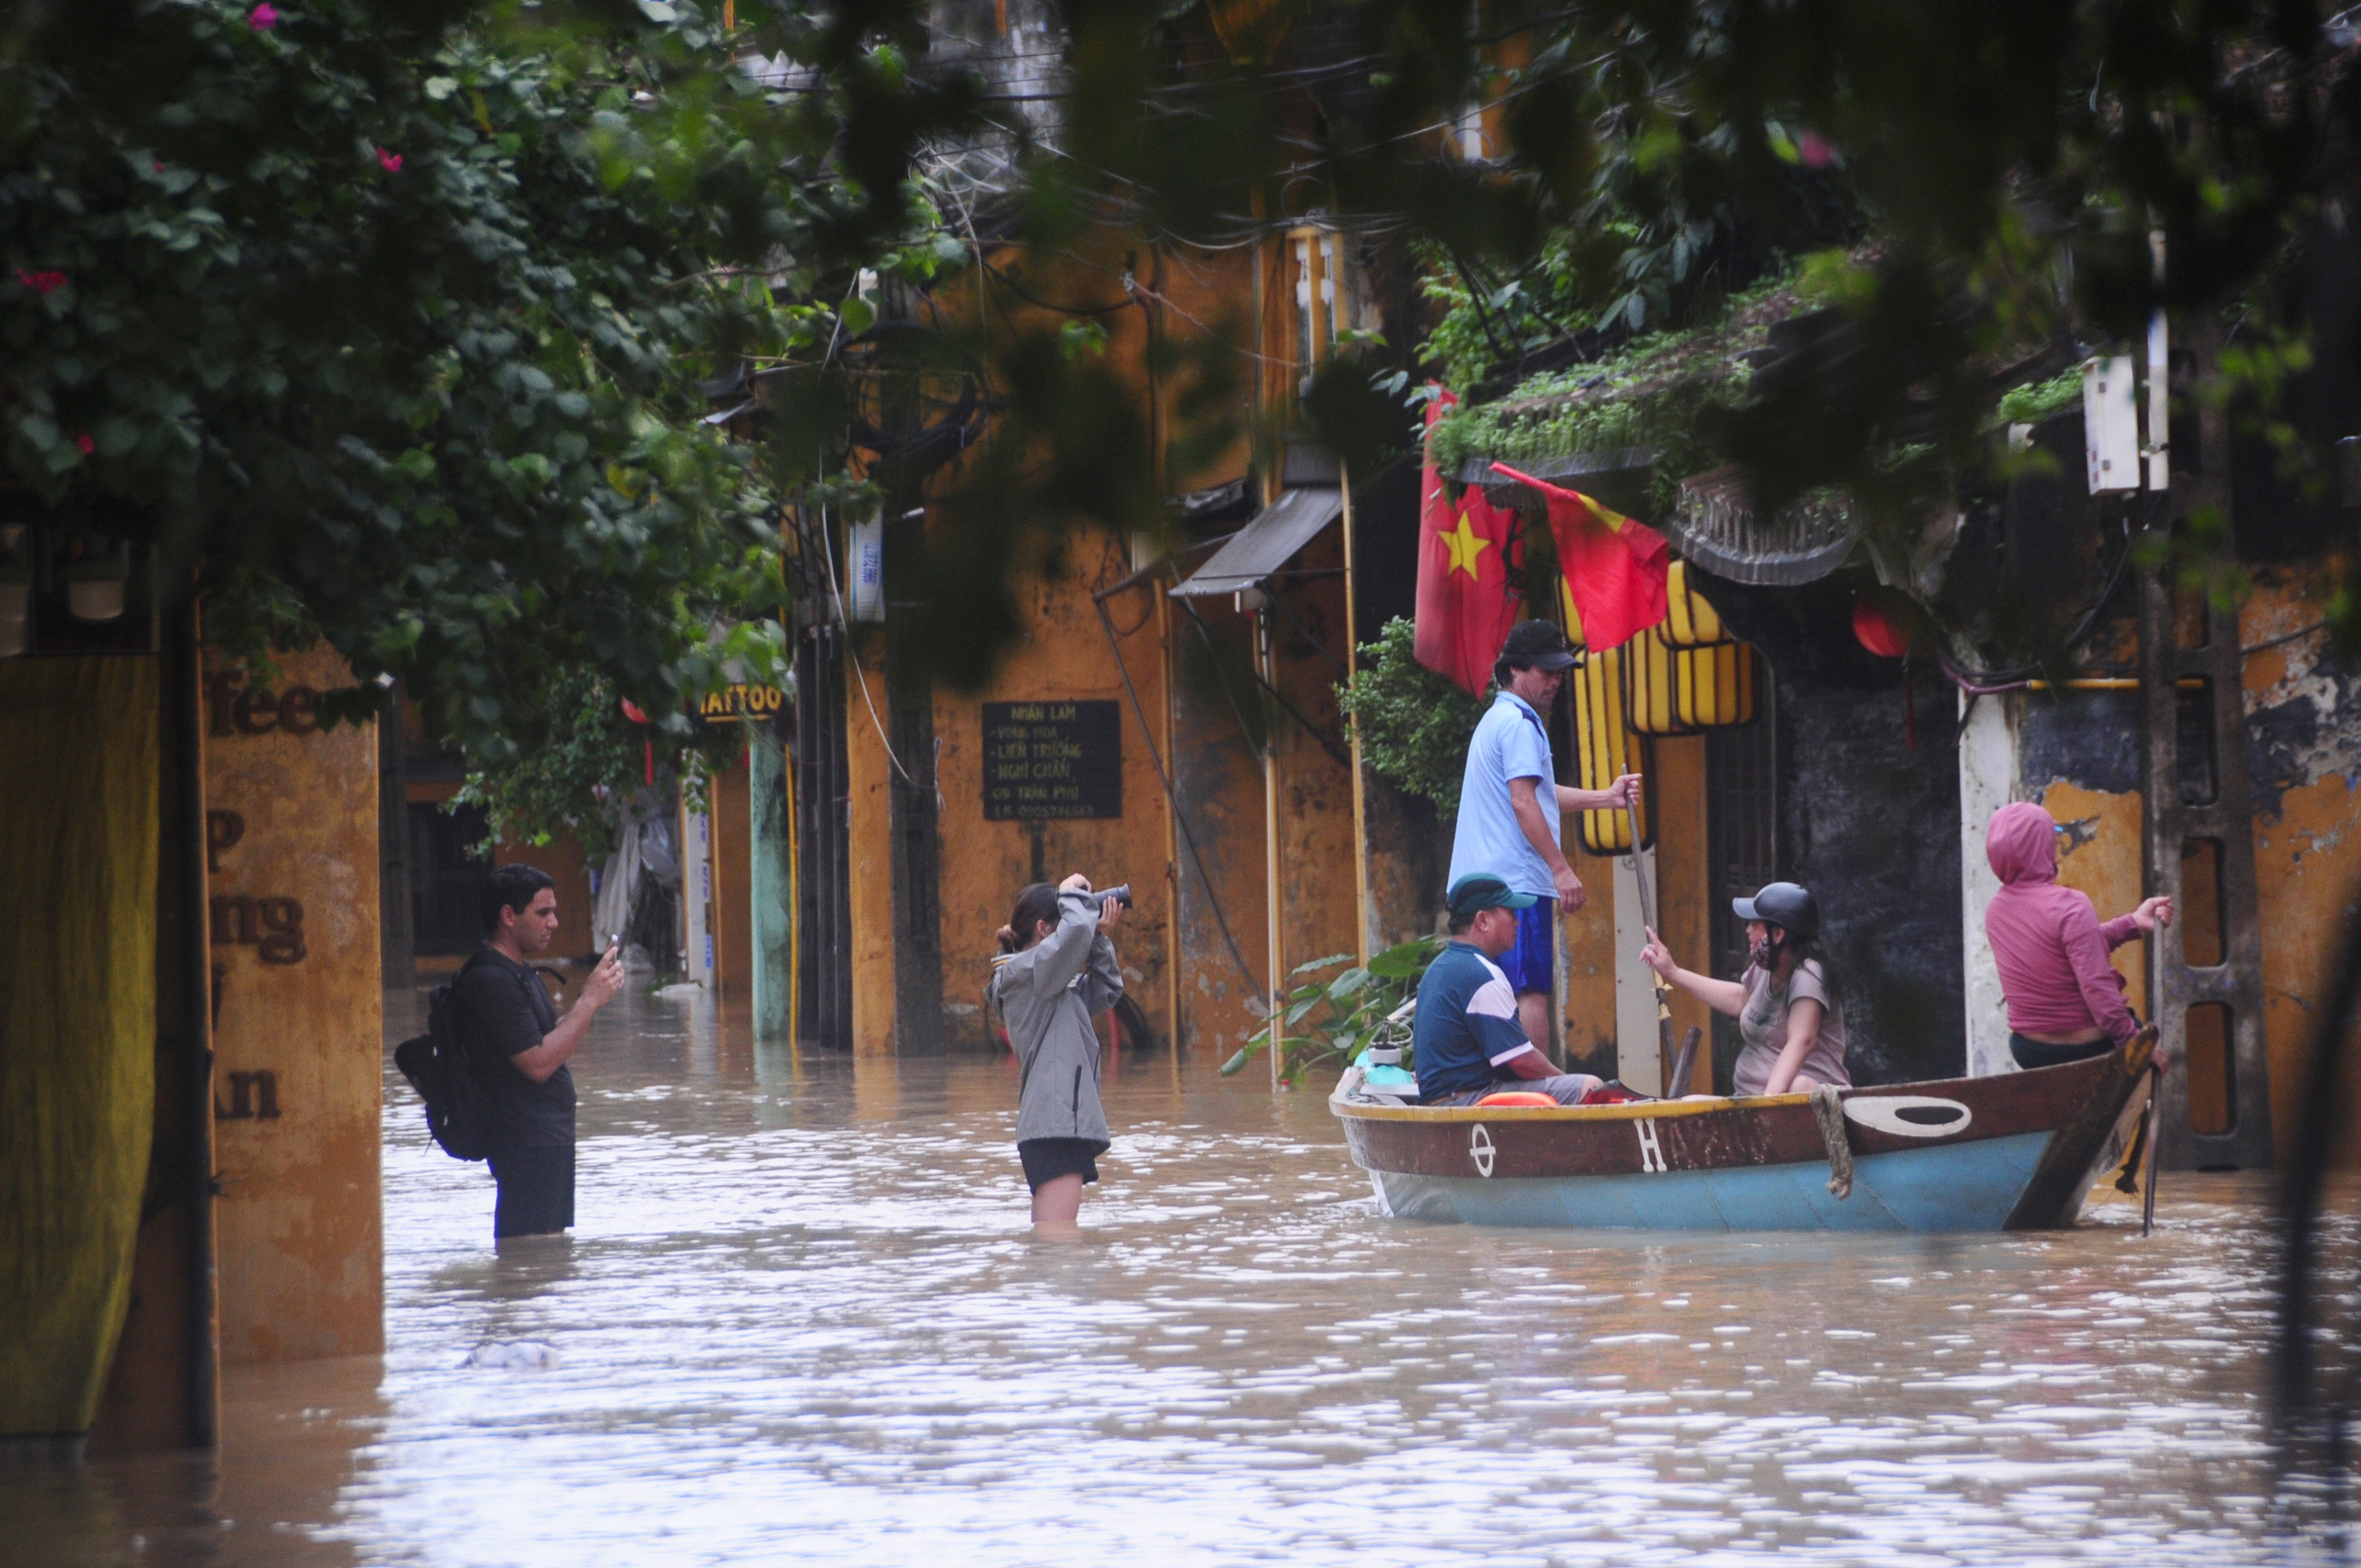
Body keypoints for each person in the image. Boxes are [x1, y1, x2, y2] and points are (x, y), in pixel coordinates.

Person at [1447, 619, 1641, 1051]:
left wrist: (1604, 798)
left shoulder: (1497, 719)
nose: (1555, 681)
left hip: (1477, 886)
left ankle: (1501, 1091)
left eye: (1558, 672)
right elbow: (1523, 802)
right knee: (1529, 990)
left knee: (1490, 989)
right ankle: (1536, 1100)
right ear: (1515, 669)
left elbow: (1536, 792)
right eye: (1545, 671)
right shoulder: (1520, 723)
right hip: (1515, 886)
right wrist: (1561, 869)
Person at [449, 862, 624, 1241]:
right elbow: (538, 1063)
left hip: (544, 1138)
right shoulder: (491, 980)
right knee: (530, 1256)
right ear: (508, 916)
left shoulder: (518, 973)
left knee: (546, 1258)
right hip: (525, 1141)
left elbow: (545, 1042)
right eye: (543, 913)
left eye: (554, 912)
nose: (554, 922)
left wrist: (589, 998)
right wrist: (590, 1001)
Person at [1984, 801, 2171, 1068]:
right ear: (2042, 847)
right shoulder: (2071, 905)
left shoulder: (1995, 910)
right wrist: (2133, 1043)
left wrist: (2131, 923)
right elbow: (2096, 985)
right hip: (2088, 1048)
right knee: (2135, 1030)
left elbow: (2060, 952)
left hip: (2031, 1051)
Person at [989, 873, 1125, 1229]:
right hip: (1055, 1126)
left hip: (1060, 1124)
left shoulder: (1053, 988)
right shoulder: (1024, 975)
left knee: (1050, 1246)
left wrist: (1095, 934)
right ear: (1045, 930)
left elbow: (1107, 988)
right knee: (1059, 1243)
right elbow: (1072, 937)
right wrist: (1070, 895)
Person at [1638, 881, 1850, 1097]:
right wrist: (1672, 971)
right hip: (1750, 1101)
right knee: (1690, 1104)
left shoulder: (1809, 973)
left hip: (1796, 1106)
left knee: (1800, 1087)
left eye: (1754, 923)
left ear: (1778, 934)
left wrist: (1768, 1104)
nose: (1747, 930)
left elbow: (1802, 1039)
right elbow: (1740, 999)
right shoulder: (1766, 968)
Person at [1412, 874, 1607, 1106]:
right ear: (1483, 920)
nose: (1517, 922)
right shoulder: (1481, 974)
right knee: (1590, 1087)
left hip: (1441, 1101)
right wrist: (1568, 1084)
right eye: (1511, 913)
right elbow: (1521, 1061)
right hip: (1469, 1102)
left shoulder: (1438, 967)